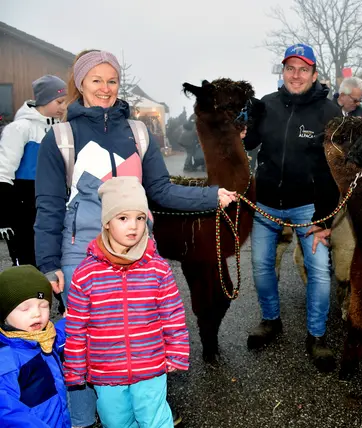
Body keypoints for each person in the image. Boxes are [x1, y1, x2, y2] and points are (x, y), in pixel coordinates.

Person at [34, 49, 235, 428]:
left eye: (112, 80)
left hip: (137, 248)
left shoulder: (138, 132)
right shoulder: (61, 137)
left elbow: (160, 189)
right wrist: (48, 264)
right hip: (81, 252)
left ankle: (143, 410)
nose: (106, 89)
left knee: (141, 329)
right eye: (96, 80)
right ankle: (80, 420)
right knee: (84, 338)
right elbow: (48, 207)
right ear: (80, 83)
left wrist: (213, 195)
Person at [243, 43, 342, 372]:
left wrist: (325, 217)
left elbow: (335, 169)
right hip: (267, 203)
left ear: (314, 74)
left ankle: (317, 336)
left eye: (303, 69)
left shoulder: (329, 113)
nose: (296, 75)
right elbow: (247, 143)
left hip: (308, 208)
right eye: (290, 68)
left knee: (319, 273)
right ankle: (271, 321)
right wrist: (238, 124)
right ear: (282, 72)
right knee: (260, 265)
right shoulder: (266, 105)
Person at [64, 177, 188, 428]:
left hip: (151, 365)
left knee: (156, 420)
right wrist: (75, 367)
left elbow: (172, 314)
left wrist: (176, 350)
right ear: (107, 223)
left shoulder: (158, 268)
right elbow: (76, 327)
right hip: (106, 371)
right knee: (116, 422)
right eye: (123, 218)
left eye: (140, 218)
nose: (133, 226)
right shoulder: (86, 274)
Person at [0, 75, 67, 267]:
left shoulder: (62, 129)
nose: (63, 107)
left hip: (54, 199)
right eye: (59, 101)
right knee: (28, 261)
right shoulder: (20, 128)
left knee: (54, 258)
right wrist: (5, 214)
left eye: (65, 102)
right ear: (44, 100)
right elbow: (3, 170)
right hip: (24, 202)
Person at [0, 265, 70, 427]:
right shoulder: (6, 359)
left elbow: (61, 334)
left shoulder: (45, 338)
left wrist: (76, 317)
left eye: (43, 305)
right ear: (4, 315)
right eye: (25, 308)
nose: (37, 313)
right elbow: (6, 412)